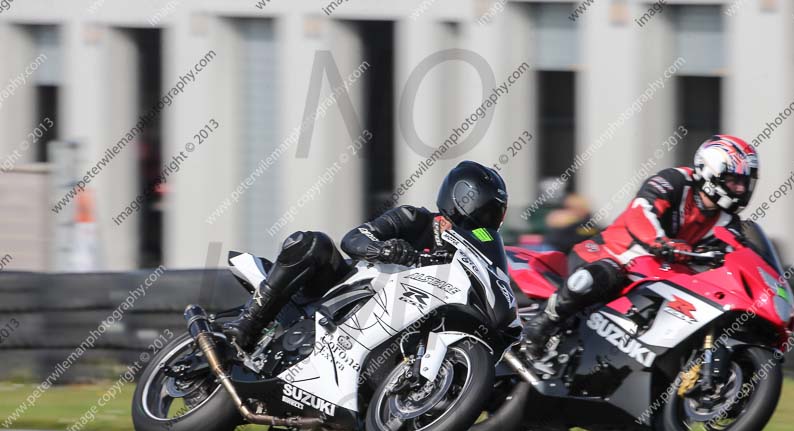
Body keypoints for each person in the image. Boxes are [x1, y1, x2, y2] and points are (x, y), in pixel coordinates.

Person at [224, 160, 508, 351]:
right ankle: (248, 325)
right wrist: (384, 250)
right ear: (461, 199)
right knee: (314, 244)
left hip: (391, 327)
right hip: (342, 292)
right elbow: (353, 239)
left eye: (493, 212)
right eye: (484, 209)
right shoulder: (413, 219)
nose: (486, 218)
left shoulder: (468, 255)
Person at [522, 134, 760, 357]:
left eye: (744, 183)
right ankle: (542, 323)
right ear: (711, 171)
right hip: (611, 254)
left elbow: (736, 257)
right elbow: (641, 211)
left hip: (658, 278)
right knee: (606, 273)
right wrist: (659, 242)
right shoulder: (675, 181)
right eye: (734, 180)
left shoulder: (729, 223)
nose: (740, 189)